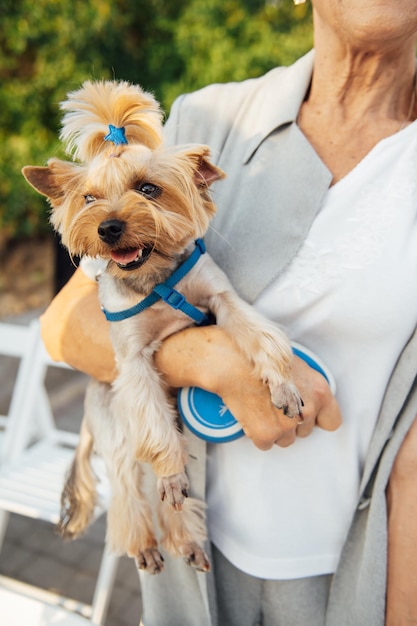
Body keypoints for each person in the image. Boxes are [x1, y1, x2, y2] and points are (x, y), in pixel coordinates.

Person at [41, 0, 417, 624]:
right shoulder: (205, 119)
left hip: (357, 569)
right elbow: (64, 325)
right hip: (194, 562)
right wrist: (208, 357)